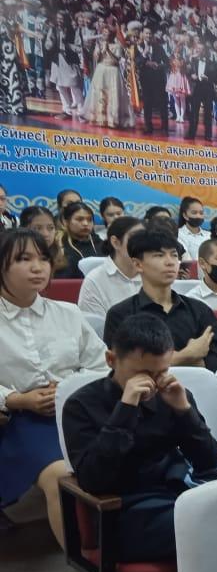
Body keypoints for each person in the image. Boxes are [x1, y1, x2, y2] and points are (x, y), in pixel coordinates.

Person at [62, 314, 217, 572]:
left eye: (162, 371)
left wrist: (184, 411)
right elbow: (94, 479)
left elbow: (208, 461)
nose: (153, 381)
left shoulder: (172, 394)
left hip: (177, 496)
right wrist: (125, 409)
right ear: (111, 360)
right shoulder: (81, 405)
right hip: (122, 515)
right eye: (142, 373)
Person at [0, 229, 107, 546]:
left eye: (43, 258)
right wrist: (17, 399)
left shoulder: (68, 313)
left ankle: (122, 548)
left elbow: (102, 365)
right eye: (23, 259)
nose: (38, 267)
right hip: (16, 422)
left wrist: (69, 386)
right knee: (61, 476)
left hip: (75, 412)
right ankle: (86, 562)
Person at [103, 228, 217, 372]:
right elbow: (120, 367)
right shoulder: (121, 314)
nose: (170, 262)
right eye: (159, 255)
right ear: (138, 264)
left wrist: (156, 363)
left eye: (174, 255)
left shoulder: (200, 310)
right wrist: (186, 356)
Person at [78, 216, 144, 317]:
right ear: (115, 242)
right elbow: (94, 324)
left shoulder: (154, 273)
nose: (143, 244)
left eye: (144, 238)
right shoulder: (95, 281)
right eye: (135, 237)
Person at [57, 201, 104, 278]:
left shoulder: (101, 244)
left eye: (89, 220)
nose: (85, 223)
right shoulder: (59, 246)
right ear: (65, 222)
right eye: (79, 219)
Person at [20, 206, 67, 275]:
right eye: (37, 228)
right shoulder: (15, 258)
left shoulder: (65, 257)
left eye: (50, 228)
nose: (45, 234)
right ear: (23, 229)